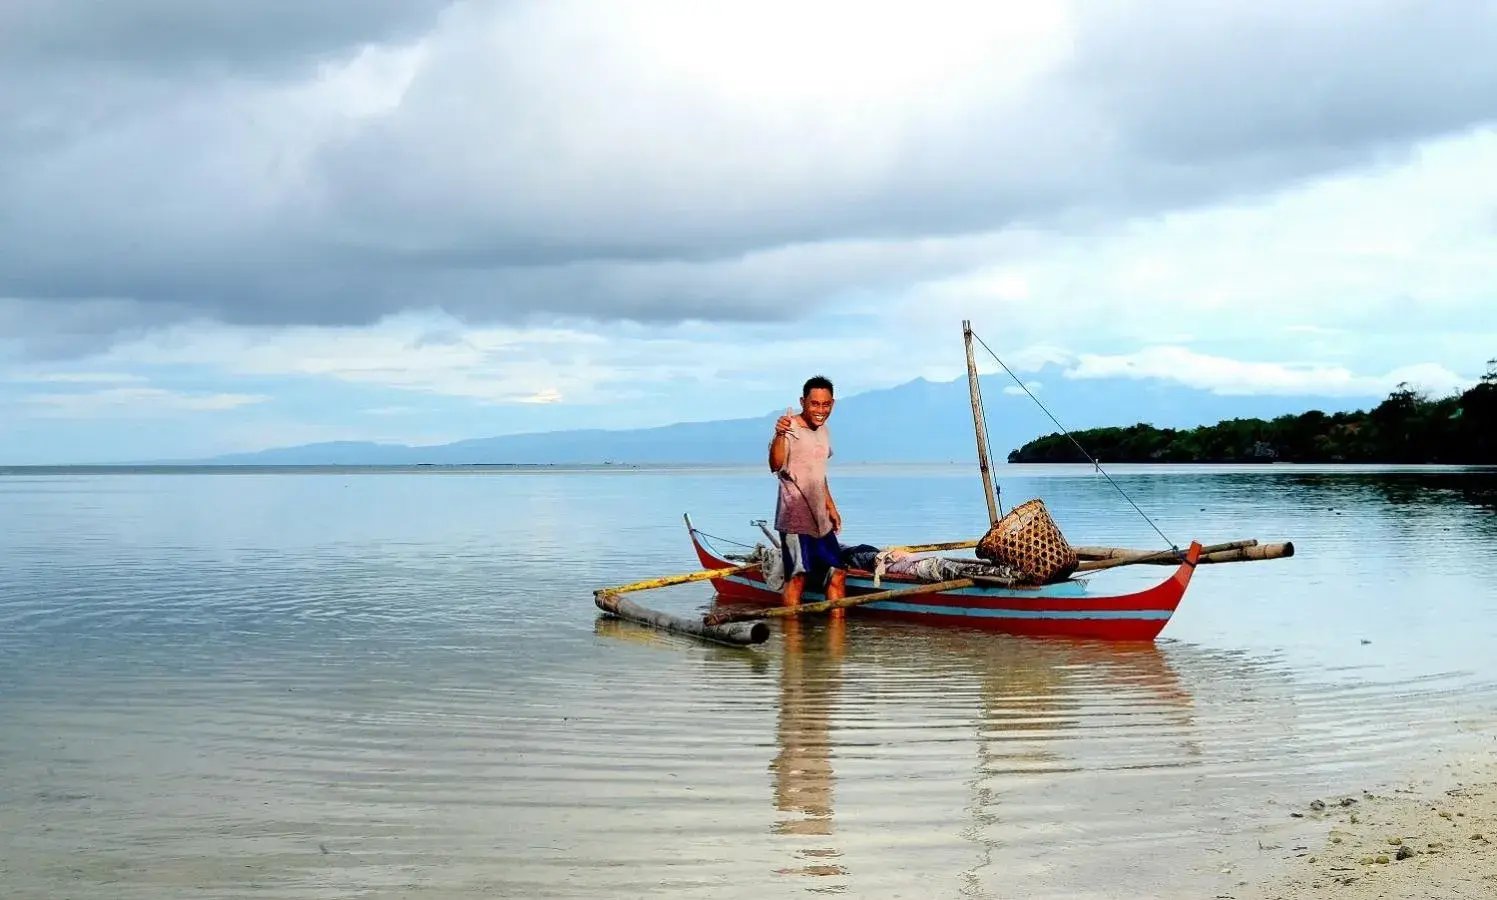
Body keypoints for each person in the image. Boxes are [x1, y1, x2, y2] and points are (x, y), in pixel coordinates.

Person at [768, 375, 845, 610]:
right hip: (795, 520)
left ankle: (836, 642)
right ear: (803, 402)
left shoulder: (824, 431)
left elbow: (819, 474)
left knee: (838, 574)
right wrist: (780, 434)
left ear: (832, 403)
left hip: (820, 520)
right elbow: (775, 464)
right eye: (814, 404)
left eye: (825, 404)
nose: (820, 410)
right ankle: (793, 643)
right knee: (797, 577)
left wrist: (831, 507)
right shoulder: (789, 427)